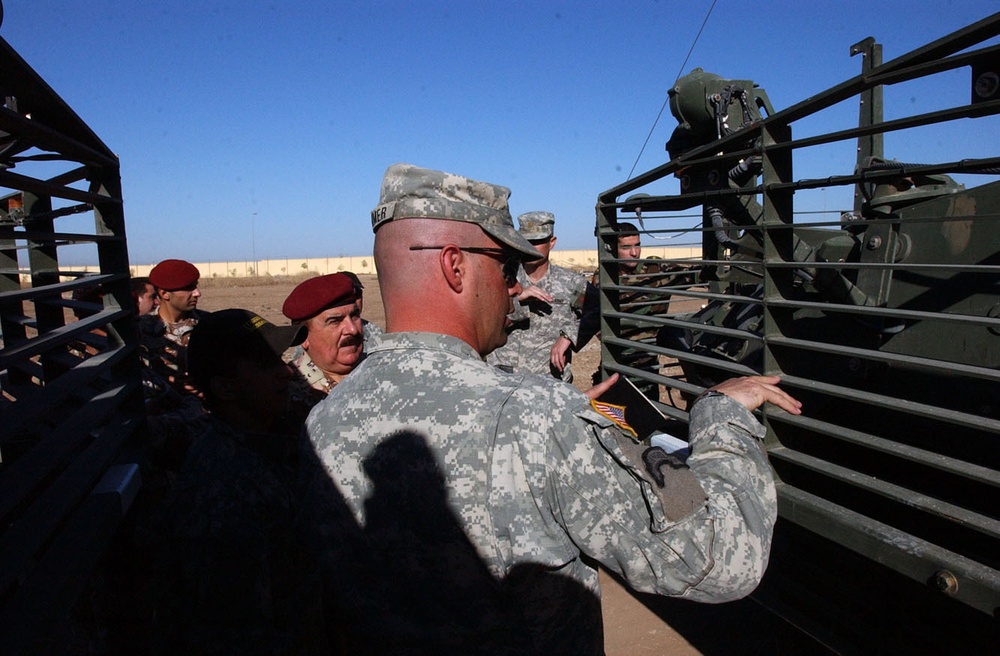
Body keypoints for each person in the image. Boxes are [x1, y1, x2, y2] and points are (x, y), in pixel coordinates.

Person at [299, 163, 801, 654]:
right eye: (503, 267)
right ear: (455, 265)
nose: (515, 287)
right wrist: (721, 414)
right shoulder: (534, 417)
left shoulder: (323, 420)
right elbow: (717, 557)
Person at [152, 309, 327, 655]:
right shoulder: (223, 488)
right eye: (265, 365)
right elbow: (234, 629)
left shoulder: (267, 447)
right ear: (226, 389)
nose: (286, 371)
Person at [578, 221, 696, 398]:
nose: (634, 253)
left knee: (645, 418)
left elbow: (695, 275)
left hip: (646, 367)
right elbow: (589, 313)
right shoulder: (603, 275)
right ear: (612, 248)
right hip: (614, 363)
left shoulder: (656, 271)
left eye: (637, 245)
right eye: (626, 247)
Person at [487, 211, 591, 382]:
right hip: (502, 379)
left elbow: (595, 314)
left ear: (552, 242)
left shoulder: (572, 283)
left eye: (536, 242)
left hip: (549, 382)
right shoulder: (502, 278)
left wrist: (568, 336)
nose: (529, 247)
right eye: (526, 241)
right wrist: (516, 299)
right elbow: (481, 314)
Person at [281, 272, 368, 407]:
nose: (352, 329)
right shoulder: (286, 393)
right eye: (335, 321)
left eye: (354, 315)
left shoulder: (382, 369)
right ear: (303, 337)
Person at [138, 259, 206, 401]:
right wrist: (168, 383)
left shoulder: (209, 324)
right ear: (165, 294)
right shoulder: (140, 330)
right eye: (189, 288)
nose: (197, 293)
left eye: (196, 287)